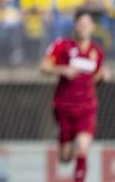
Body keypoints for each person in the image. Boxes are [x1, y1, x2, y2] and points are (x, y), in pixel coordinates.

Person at [40, 10, 110, 182]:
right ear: (75, 25)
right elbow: (44, 66)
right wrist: (62, 69)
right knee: (65, 158)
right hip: (64, 106)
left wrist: (102, 75)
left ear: (92, 27)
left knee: (82, 148)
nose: (83, 27)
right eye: (80, 24)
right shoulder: (62, 46)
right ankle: (63, 143)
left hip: (86, 106)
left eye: (87, 24)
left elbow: (94, 79)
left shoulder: (97, 52)